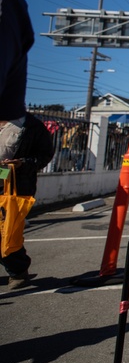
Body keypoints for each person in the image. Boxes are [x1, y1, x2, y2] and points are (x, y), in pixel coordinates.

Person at [2, 113, 55, 288]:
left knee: (7, 231)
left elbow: (45, 155)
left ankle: (18, 270)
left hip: (13, 185)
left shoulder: (32, 127)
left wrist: (23, 163)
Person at [0, 0, 35, 162]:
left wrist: (26, 163)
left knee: (5, 182)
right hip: (10, 173)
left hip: (19, 176)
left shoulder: (34, 130)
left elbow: (45, 155)